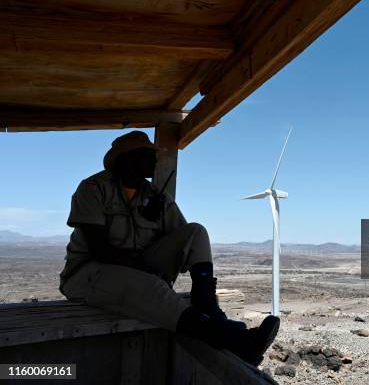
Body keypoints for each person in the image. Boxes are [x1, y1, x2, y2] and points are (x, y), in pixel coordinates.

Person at [58, 131, 278, 365]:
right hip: (90, 272)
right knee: (151, 287)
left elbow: (186, 240)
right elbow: (100, 250)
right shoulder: (94, 188)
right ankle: (236, 339)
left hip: (137, 270)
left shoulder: (154, 195)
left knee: (197, 231)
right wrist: (146, 270)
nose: (156, 160)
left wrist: (159, 224)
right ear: (129, 159)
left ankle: (205, 302)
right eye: (148, 155)